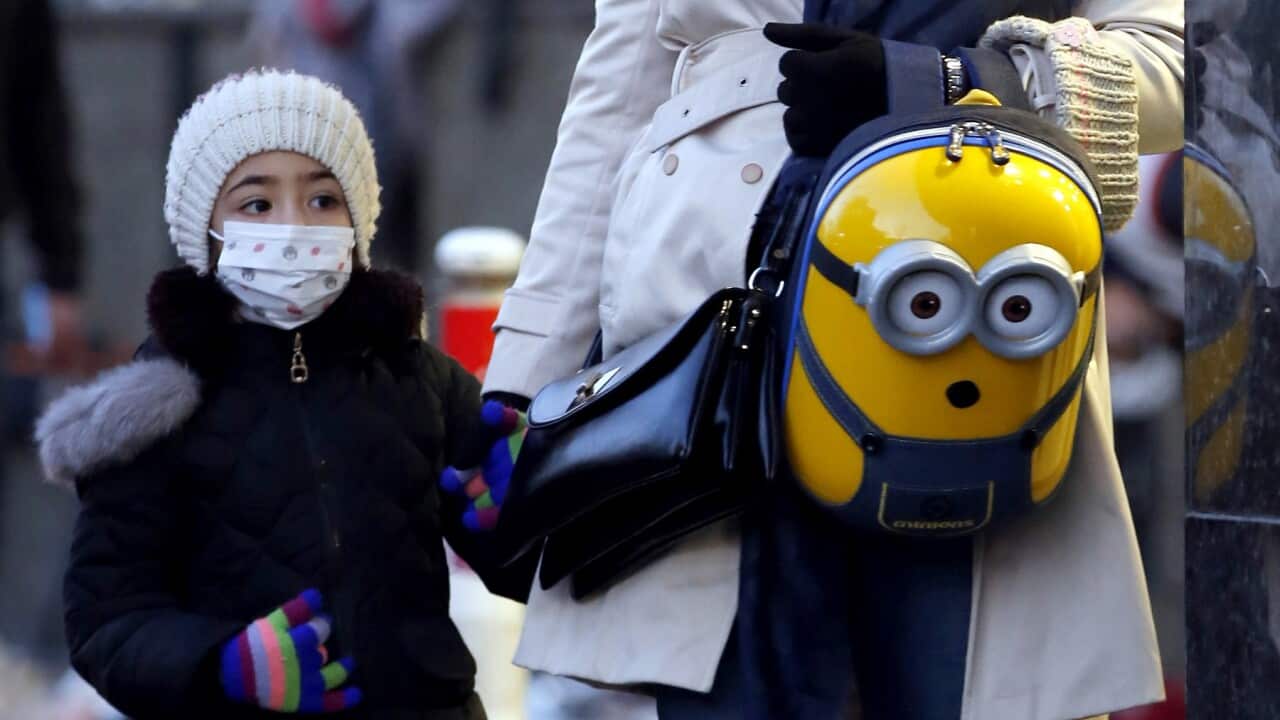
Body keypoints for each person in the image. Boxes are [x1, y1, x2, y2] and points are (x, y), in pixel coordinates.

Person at [471, 1, 1183, 718]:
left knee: (970, 684)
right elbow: (618, 97)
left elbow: (1178, 64)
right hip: (709, 355)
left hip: (971, 328)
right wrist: (522, 387)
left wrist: (946, 79)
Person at [34, 70, 528, 720]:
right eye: (257, 204)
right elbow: (107, 621)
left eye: (323, 199)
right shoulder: (156, 410)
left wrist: (520, 512)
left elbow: (536, 570)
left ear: (358, 219)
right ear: (205, 229)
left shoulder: (415, 376)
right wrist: (223, 664)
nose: (295, 227)